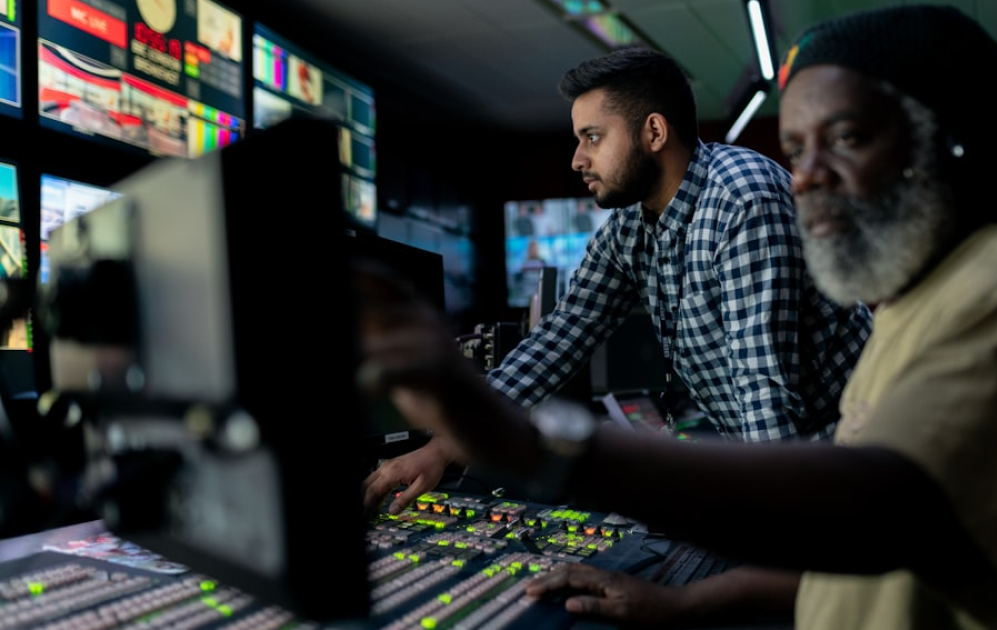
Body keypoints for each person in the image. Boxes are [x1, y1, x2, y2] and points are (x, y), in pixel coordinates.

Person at [357, 5, 997, 629]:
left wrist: (540, 447)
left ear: (945, 144)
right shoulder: (917, 310)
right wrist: (445, 444)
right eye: (797, 147)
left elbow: (847, 487)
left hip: (783, 484)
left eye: (841, 139)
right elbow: (565, 334)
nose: (801, 180)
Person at [363, 46, 872, 514]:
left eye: (593, 137)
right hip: (785, 466)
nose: (577, 160)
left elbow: (766, 393)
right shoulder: (632, 226)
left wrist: (774, 541)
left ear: (653, 132)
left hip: (846, 461)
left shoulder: (741, 199)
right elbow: (561, 337)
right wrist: (443, 448)